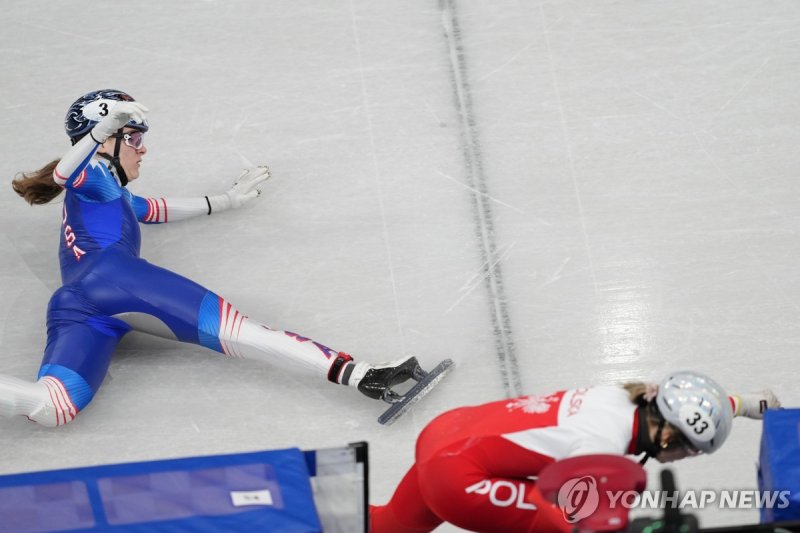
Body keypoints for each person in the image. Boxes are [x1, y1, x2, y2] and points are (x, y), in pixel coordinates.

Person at [3, 89, 422, 427]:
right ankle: (364, 375)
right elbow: (64, 173)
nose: (142, 149)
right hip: (116, 280)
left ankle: (360, 373)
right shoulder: (90, 172)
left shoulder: (112, 193)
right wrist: (96, 136)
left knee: (52, 406)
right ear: (106, 139)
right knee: (240, 331)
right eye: (132, 138)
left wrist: (225, 200)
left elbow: (157, 209)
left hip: (75, 303)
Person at [370, 370, 781, 533]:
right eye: (691, 452)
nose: (688, 460)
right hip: (457, 479)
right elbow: (559, 516)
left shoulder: (628, 396)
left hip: (447, 433)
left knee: (390, 526)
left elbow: (692, 404)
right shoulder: (602, 445)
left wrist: (742, 403)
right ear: (667, 438)